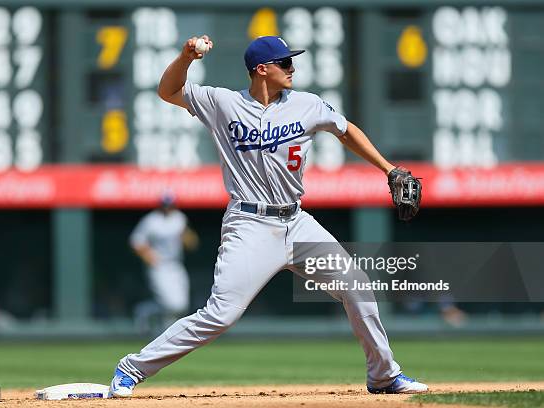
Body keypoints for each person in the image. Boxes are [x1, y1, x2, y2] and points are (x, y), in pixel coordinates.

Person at [110, 35, 428, 396]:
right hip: (250, 225)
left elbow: (345, 130)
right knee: (220, 315)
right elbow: (168, 91)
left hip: (296, 221)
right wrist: (186, 57)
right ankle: (131, 368)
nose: (292, 69)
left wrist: (388, 169)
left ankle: (384, 376)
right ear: (262, 70)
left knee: (356, 286)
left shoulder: (307, 105)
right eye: (285, 63)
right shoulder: (222, 103)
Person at [130, 193, 198, 332]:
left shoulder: (179, 218)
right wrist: (149, 257)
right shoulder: (151, 220)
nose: (168, 208)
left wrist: (188, 239)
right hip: (160, 266)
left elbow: (189, 239)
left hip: (176, 264)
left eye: (170, 205)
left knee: (181, 305)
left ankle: (163, 331)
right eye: (165, 205)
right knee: (171, 304)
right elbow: (136, 241)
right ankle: (147, 314)